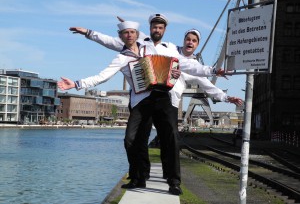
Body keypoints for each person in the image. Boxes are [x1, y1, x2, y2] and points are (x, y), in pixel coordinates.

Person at [59, 19, 224, 195]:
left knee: (171, 138)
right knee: (131, 139)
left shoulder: (154, 47)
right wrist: (77, 82)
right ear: (121, 36)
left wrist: (211, 70)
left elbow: (186, 64)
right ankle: (138, 177)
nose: (129, 35)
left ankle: (173, 181)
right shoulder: (123, 56)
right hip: (141, 101)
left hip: (162, 97)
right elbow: (102, 76)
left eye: (132, 32)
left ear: (138, 34)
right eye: (125, 33)